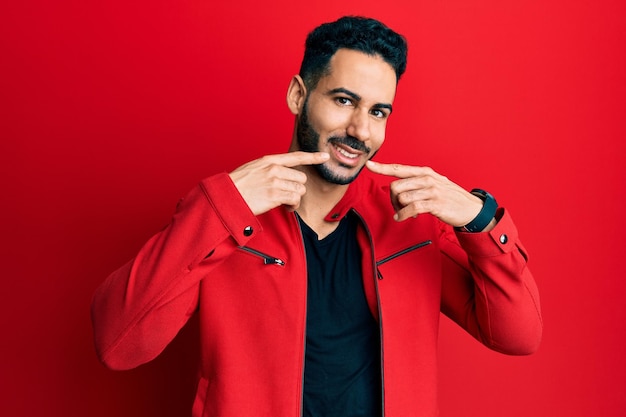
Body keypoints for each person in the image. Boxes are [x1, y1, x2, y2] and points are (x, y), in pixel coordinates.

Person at [91, 16, 542, 417]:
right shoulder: (227, 211)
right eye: (344, 101)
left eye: (378, 111)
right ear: (298, 95)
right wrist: (221, 207)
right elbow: (119, 344)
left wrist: (479, 221)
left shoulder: (411, 220)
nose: (361, 130)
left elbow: (518, 335)